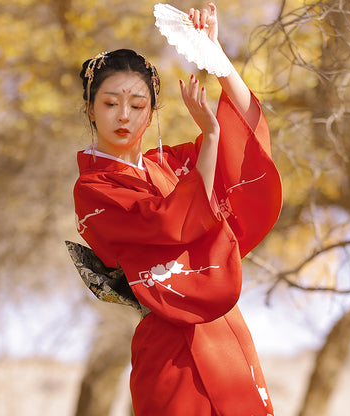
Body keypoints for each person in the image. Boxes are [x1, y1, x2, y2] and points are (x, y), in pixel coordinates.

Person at [71, 3, 282, 415]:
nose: (124, 116)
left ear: (152, 112)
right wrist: (211, 138)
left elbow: (245, 148)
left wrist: (216, 58)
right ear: (89, 109)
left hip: (223, 334)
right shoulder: (93, 188)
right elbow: (173, 223)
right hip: (170, 348)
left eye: (137, 105)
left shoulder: (168, 167)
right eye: (111, 103)